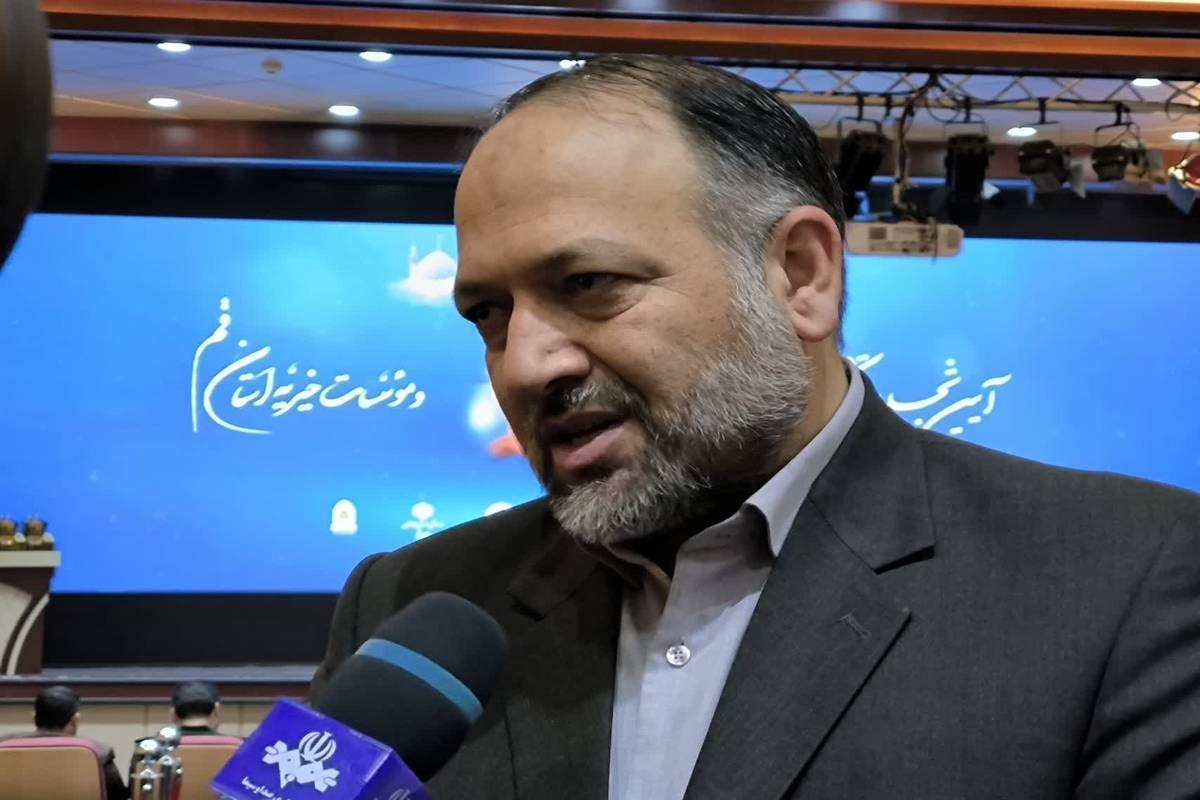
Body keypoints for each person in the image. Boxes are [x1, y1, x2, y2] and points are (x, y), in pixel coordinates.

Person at [311, 55, 1200, 799]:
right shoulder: (408, 604)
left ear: (800, 275)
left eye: (588, 284)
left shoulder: (1126, 580)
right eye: (489, 313)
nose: (524, 365)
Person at [0, 685, 129, 799]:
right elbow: (117, 796)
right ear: (74, 720)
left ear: (34, 718)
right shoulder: (99, 753)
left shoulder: (4, 746)